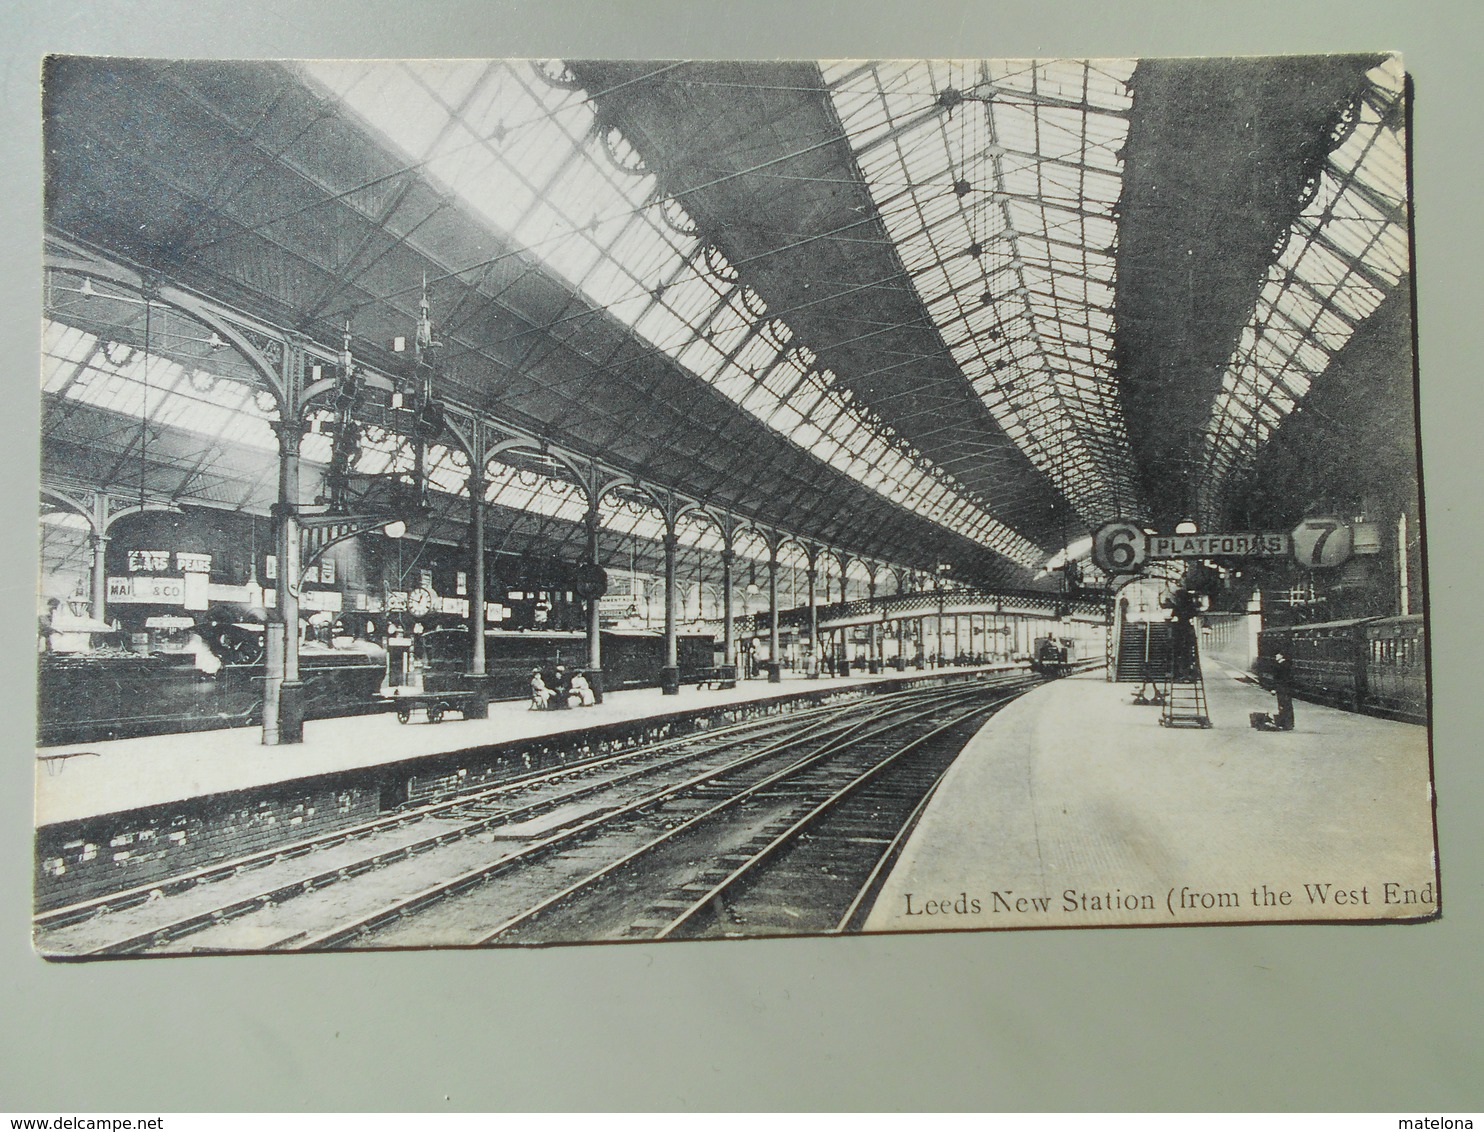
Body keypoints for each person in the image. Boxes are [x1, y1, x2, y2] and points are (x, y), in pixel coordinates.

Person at [1272, 651, 1295, 731]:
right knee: (1287, 706)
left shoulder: (1281, 666)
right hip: (1286, 689)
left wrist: (1275, 689)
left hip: (1282, 689)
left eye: (1277, 654)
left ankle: (1285, 724)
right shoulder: (1286, 665)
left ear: (1281, 656)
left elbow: (1280, 679)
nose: (1276, 656)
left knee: (1283, 706)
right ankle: (1288, 724)